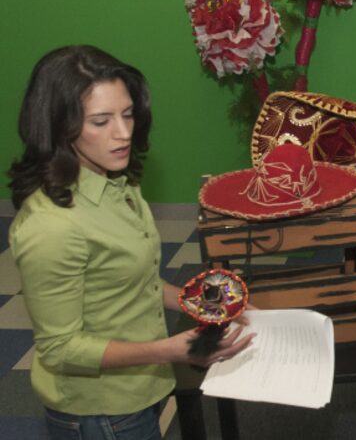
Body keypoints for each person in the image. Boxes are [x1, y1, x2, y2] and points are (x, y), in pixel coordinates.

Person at [8, 45, 255, 439]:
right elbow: (61, 348)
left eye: (127, 114)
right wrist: (172, 350)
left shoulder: (116, 182)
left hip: (141, 384)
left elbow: (131, 282)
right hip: (101, 410)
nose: (123, 133)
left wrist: (204, 303)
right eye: (101, 121)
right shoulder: (51, 228)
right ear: (57, 126)